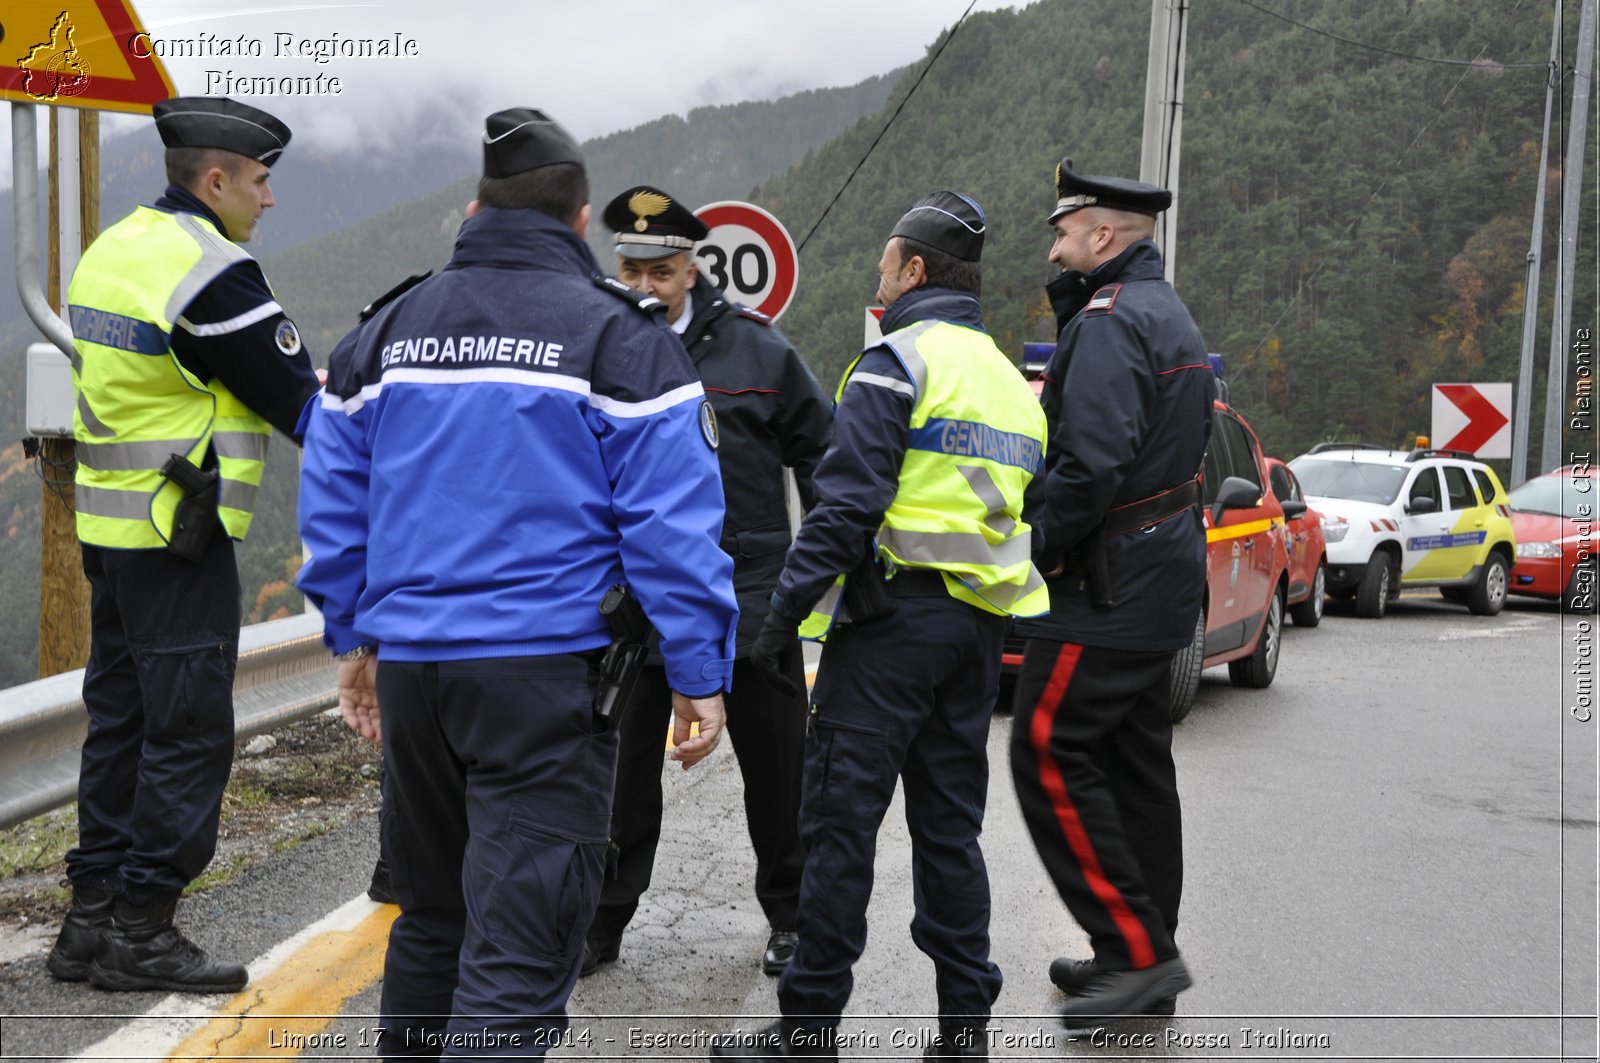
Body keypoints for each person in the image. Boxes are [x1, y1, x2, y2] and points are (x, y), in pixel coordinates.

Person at [296, 108, 738, 1057]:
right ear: (580, 224)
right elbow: (673, 529)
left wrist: (355, 638)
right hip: (546, 678)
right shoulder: (620, 339)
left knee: (430, 919)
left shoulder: (388, 330)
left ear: (472, 210)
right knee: (522, 946)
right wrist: (701, 671)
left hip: (417, 673)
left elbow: (334, 503)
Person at [713, 191, 1048, 1061]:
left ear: (917, 271)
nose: (879, 281)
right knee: (950, 836)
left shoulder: (897, 361)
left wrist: (777, 621)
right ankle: (963, 1035)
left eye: (885, 266)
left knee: (837, 827)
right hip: (975, 635)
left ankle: (808, 1031)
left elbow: (843, 510)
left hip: (888, 626)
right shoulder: (1014, 386)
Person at [47, 96, 319, 995]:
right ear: (217, 180)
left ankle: (89, 922)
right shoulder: (212, 271)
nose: (269, 199)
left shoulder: (114, 249)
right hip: (180, 538)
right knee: (190, 728)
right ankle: (143, 926)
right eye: (260, 180)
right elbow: (305, 410)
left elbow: (166, 379)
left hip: (113, 532)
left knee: (121, 720)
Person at [582, 185, 831, 979]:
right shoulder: (601, 350)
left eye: (659, 270)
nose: (644, 285)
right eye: (630, 268)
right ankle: (600, 924)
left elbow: (823, 457)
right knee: (620, 781)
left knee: (778, 773)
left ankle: (791, 919)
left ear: (691, 267)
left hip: (753, 599)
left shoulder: (761, 353)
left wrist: (817, 571)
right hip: (635, 606)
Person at [1008, 158, 1213, 1026]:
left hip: (1108, 585)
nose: (1054, 246)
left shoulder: (1110, 321)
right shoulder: (1165, 313)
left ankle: (1136, 955)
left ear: (1101, 236)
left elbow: (1087, 465)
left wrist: (1030, 550)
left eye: (1062, 231)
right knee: (1133, 764)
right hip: (1160, 577)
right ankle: (1134, 948)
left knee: (1046, 746)